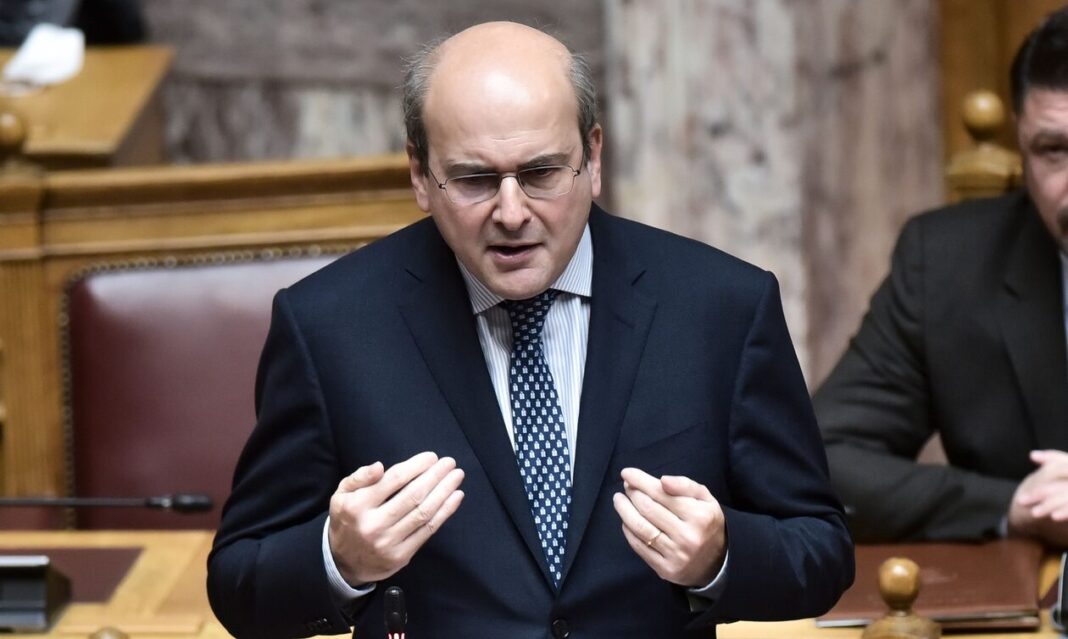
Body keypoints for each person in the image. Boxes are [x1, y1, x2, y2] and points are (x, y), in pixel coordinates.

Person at [207, 21, 853, 638]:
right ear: (420, 175)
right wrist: (338, 558)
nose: (511, 213)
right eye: (474, 179)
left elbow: (820, 548)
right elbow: (239, 581)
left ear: (592, 158)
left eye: (541, 173)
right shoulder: (329, 326)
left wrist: (721, 555)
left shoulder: (721, 308)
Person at [815, 6, 1068, 547]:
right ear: (1022, 146)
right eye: (1054, 151)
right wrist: (1014, 505)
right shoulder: (950, 264)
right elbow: (828, 458)